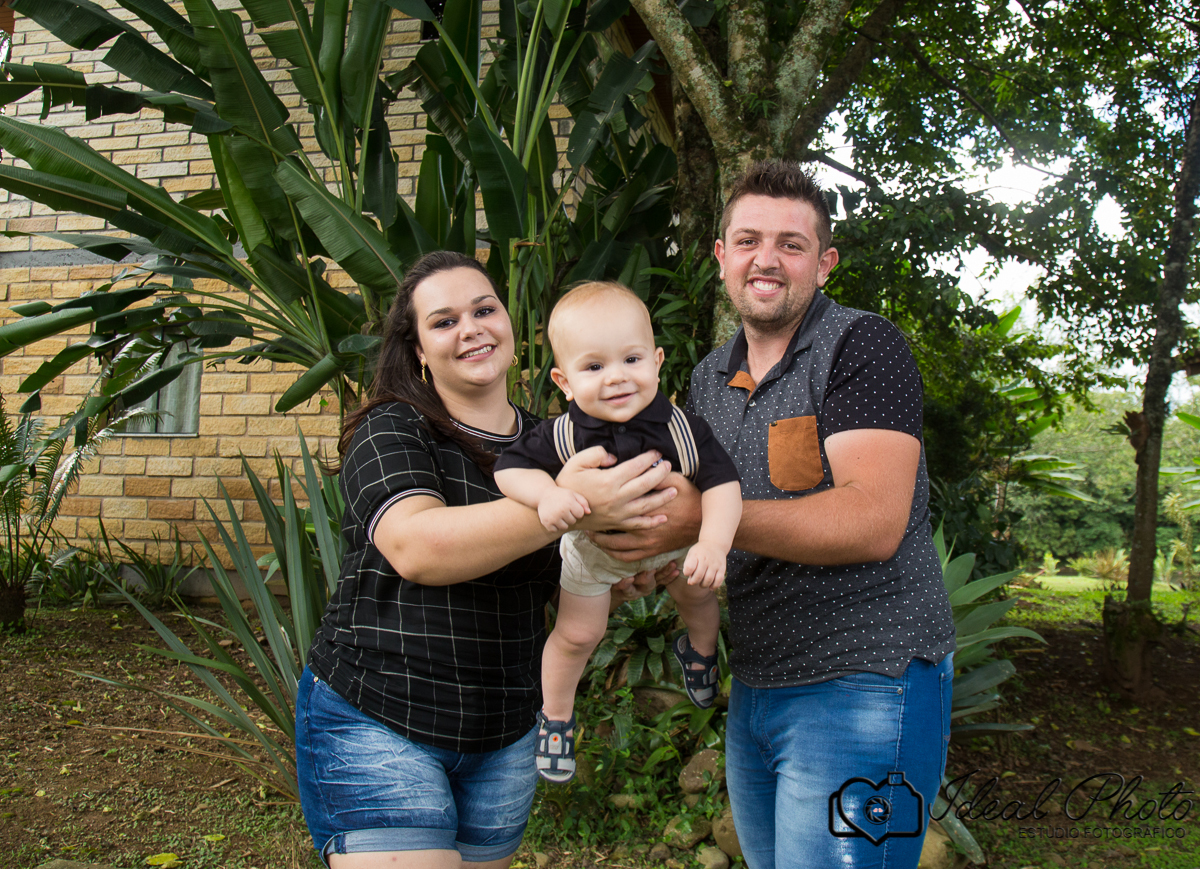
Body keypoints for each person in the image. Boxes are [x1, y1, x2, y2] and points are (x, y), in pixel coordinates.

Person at [591, 162, 956, 869]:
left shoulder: (861, 345)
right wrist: (640, 562)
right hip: (758, 682)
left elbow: (874, 520)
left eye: (791, 244)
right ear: (722, 255)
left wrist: (700, 520)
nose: (767, 259)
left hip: (863, 679)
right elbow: (693, 522)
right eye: (749, 239)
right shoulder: (705, 377)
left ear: (823, 264)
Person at [294, 251, 680, 869]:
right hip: (380, 716)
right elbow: (416, 548)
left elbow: (558, 573)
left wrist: (621, 569)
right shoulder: (393, 427)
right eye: (444, 321)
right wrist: (577, 505)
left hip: (504, 732)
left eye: (484, 309)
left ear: (510, 327)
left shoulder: (561, 442)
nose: (471, 328)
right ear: (418, 349)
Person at [494, 282, 742, 783]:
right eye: (593, 367)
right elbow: (508, 470)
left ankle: (700, 653)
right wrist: (548, 495)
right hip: (597, 554)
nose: (616, 378)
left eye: (631, 360)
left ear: (656, 360)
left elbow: (724, 484)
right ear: (564, 381)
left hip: (673, 543)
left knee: (699, 598)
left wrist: (714, 542)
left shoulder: (683, 429)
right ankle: (557, 717)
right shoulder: (562, 434)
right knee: (579, 634)